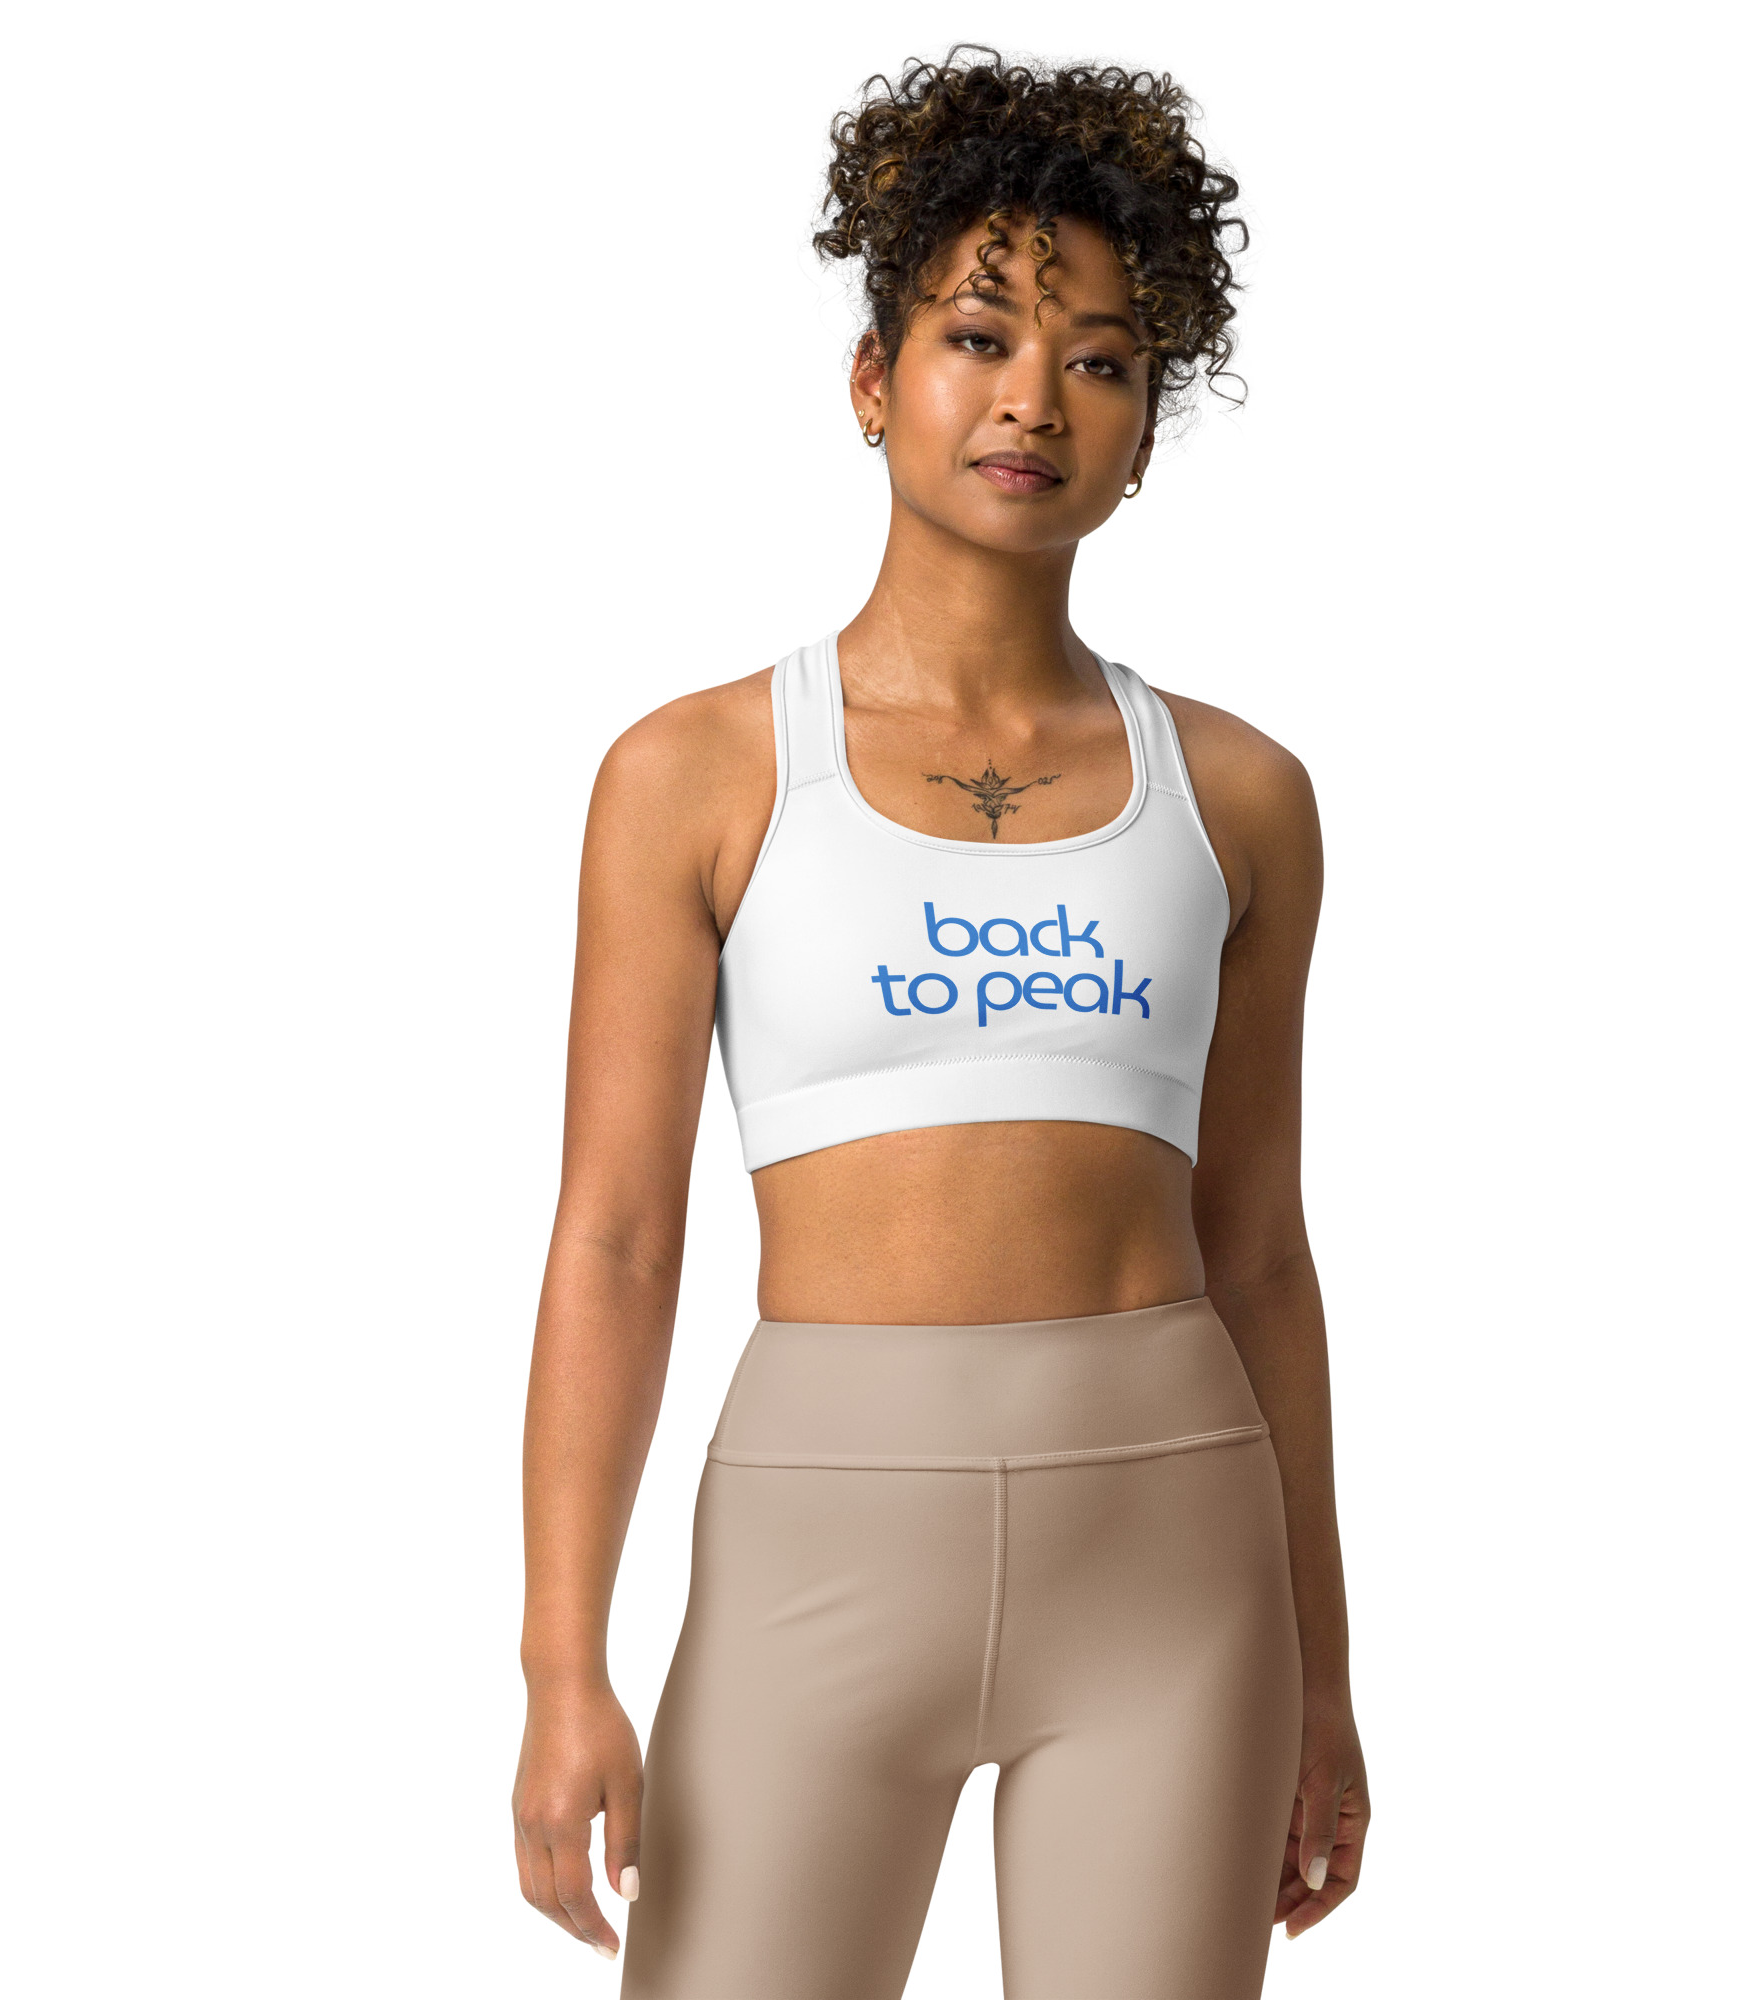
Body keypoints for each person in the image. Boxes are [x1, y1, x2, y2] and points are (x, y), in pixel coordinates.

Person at [511, 46, 1369, 1998]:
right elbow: (616, 1238)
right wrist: (563, 1664)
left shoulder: (1241, 797)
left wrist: (1323, 1674)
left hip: (1173, 1567)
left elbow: (1259, 1252)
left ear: (1144, 425)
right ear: (872, 378)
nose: (1031, 399)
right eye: (979, 337)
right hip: (813, 1556)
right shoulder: (696, 775)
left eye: (1100, 361)